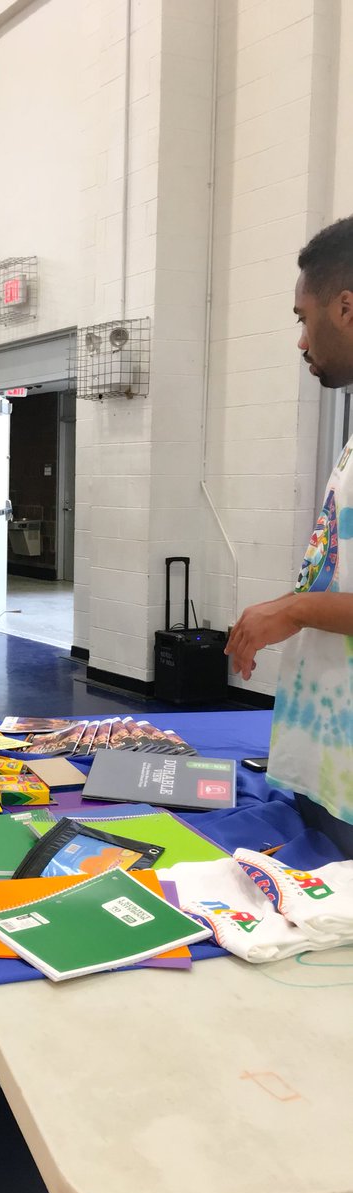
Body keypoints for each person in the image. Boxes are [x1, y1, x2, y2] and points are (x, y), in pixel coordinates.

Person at [225, 215, 353, 855]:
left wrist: (294, 608)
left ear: (346, 306)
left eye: (303, 318)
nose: (301, 340)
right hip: (328, 764)